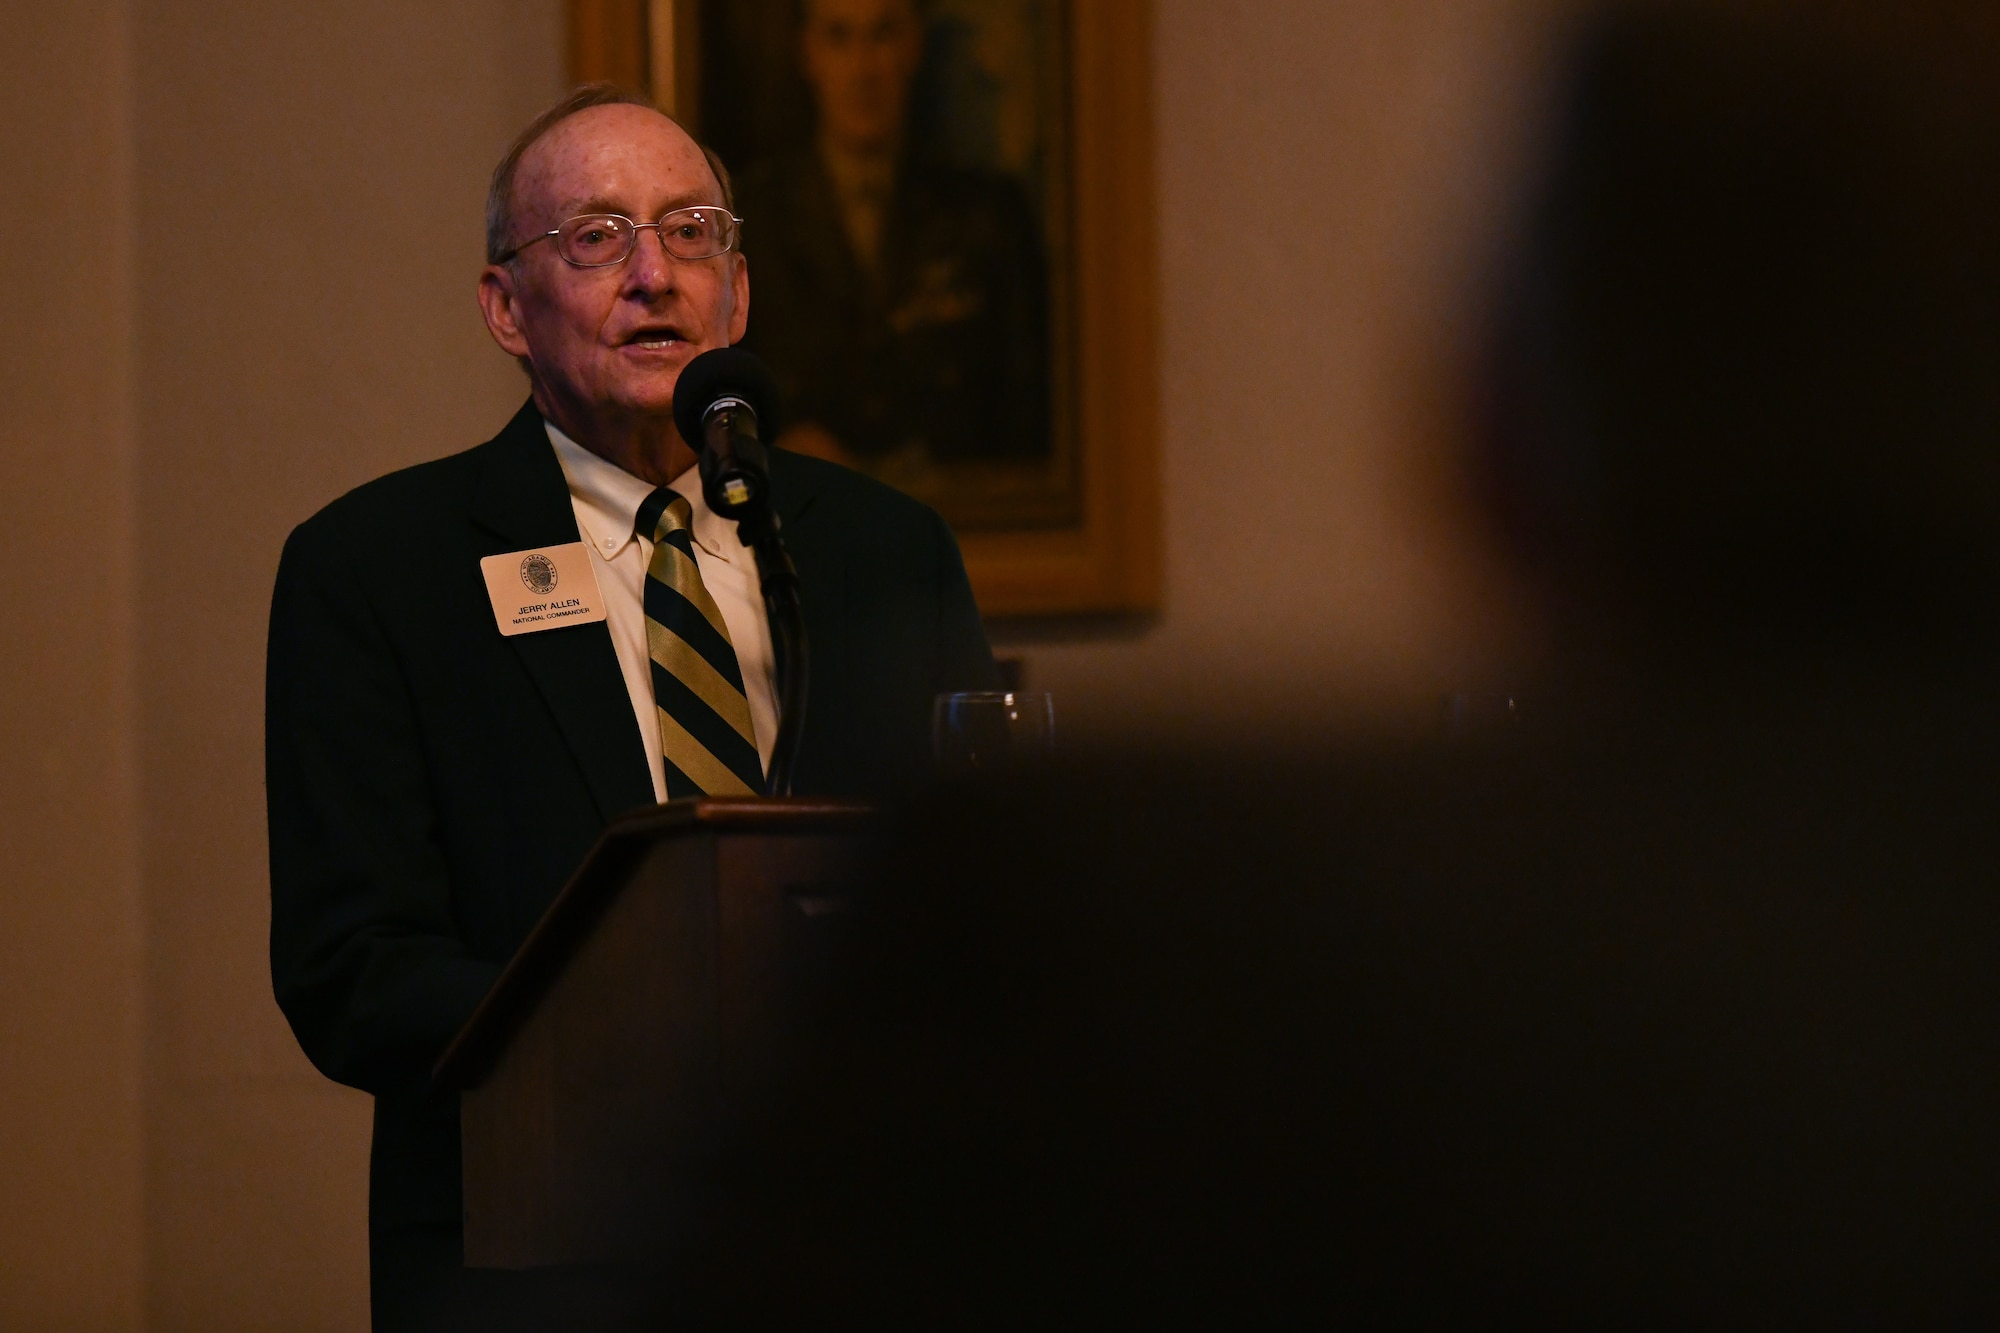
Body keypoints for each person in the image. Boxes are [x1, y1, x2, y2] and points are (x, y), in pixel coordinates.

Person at [265, 84, 997, 1329]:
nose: (654, 274)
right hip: (536, 1265)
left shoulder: (887, 550)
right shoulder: (378, 569)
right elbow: (353, 973)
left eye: (692, 231)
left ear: (739, 293)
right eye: (597, 237)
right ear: (506, 306)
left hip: (857, 1254)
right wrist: (650, 1031)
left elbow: (980, 897)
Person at [735, 0, 1052, 486]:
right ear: (808, 54)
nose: (862, 68)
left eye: (882, 35)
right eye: (839, 37)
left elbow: (1029, 426)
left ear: (913, 48)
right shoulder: (749, 224)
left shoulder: (988, 219)